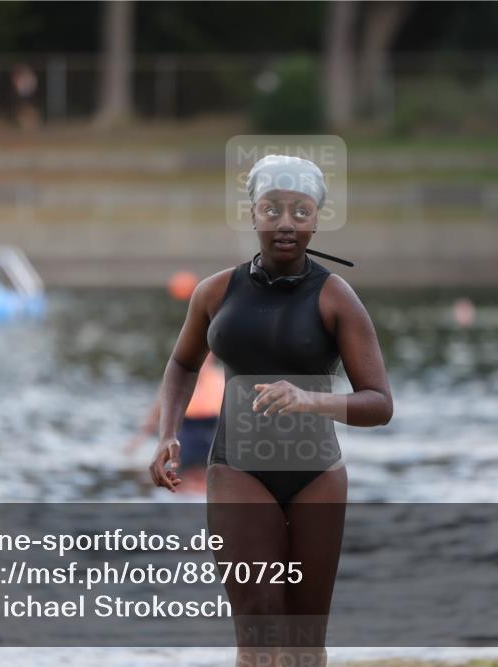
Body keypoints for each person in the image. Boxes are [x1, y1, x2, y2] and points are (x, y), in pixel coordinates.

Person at [148, 154, 393, 667]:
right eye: (272, 209)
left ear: (317, 219)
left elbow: (379, 403)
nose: (286, 222)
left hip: (317, 475)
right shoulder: (215, 292)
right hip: (237, 468)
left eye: (301, 211)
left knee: (305, 642)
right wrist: (168, 432)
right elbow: (182, 363)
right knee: (257, 631)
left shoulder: (336, 298)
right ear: (252, 213)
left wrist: (312, 400)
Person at [124, 352, 224, 494]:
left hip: (210, 440)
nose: (203, 362)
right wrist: (136, 443)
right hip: (184, 440)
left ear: (212, 358)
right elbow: (155, 414)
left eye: (207, 358)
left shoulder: (220, 380)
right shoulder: (177, 379)